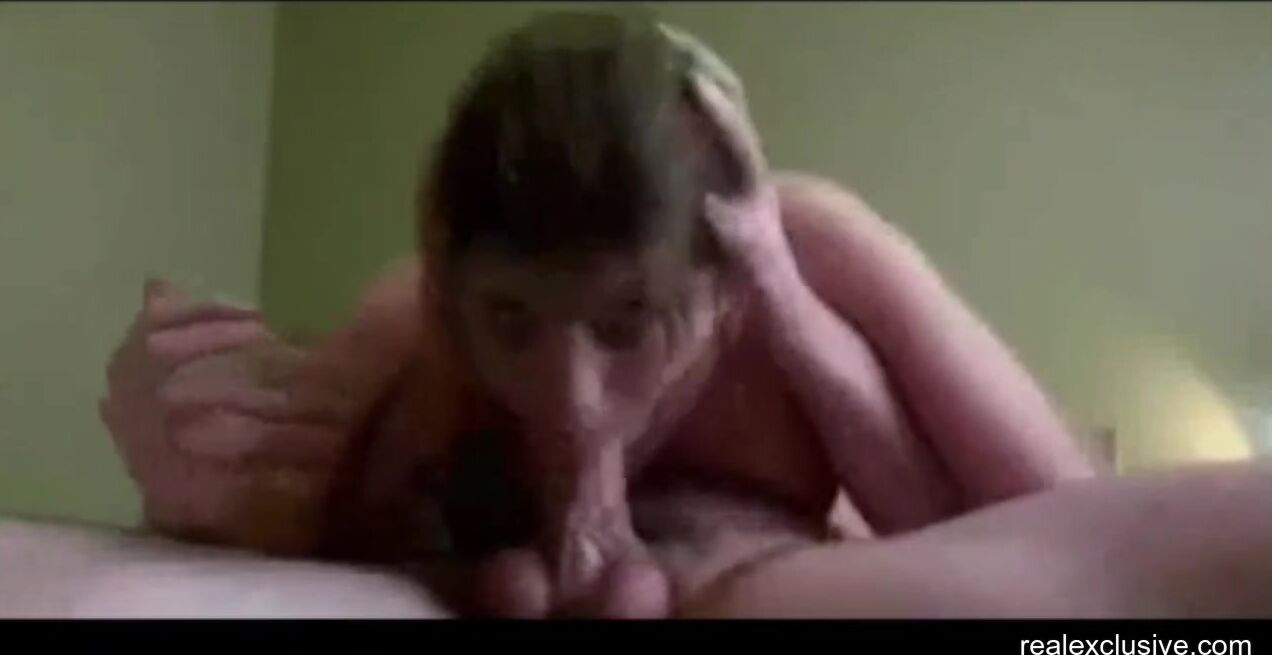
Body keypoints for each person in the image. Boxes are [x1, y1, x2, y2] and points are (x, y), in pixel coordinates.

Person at [12, 12, 1264, 619]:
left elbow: (1063, 519)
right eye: (515, 321)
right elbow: (269, 537)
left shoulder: (804, 250)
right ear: (455, 279)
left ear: (713, 291)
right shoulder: (427, 315)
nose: (567, 388)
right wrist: (186, 473)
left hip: (790, 569)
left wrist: (784, 300)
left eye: (628, 324)